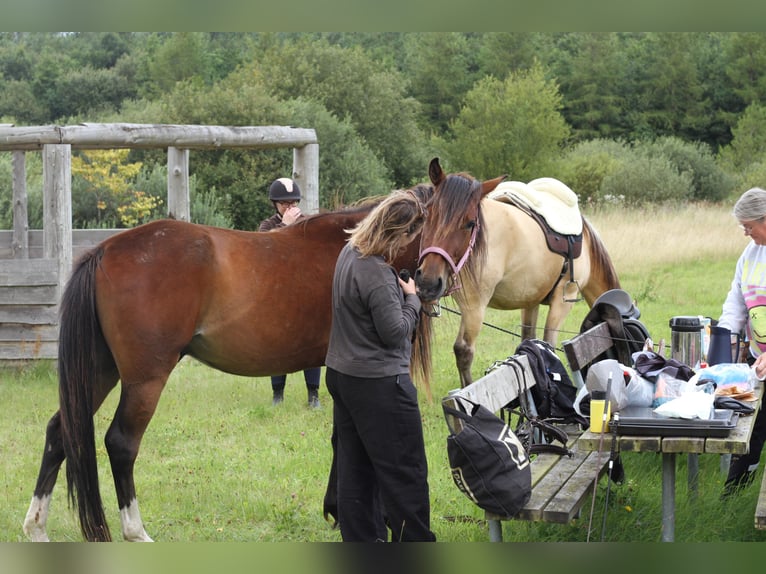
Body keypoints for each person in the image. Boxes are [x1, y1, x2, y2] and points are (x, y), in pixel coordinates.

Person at [324, 189, 436, 542]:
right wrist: (414, 300)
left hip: (343, 376)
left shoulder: (349, 253)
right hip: (380, 385)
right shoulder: (374, 271)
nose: (409, 244)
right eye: (409, 237)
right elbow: (394, 333)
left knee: (355, 472)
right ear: (397, 232)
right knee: (405, 474)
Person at [718, 187, 766, 495]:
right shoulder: (749, 256)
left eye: (749, 226)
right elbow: (735, 305)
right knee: (753, 426)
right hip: (757, 362)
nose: (746, 232)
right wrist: (724, 342)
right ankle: (733, 495)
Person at [259, 177, 322, 408]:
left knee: (311, 340)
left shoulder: (306, 224)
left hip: (304, 290)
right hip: (278, 292)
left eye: (293, 202)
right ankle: (278, 394)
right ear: (275, 204)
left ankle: (313, 394)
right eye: (285, 203)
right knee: (279, 342)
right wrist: (285, 226)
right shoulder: (267, 226)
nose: (290, 207)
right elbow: (266, 253)